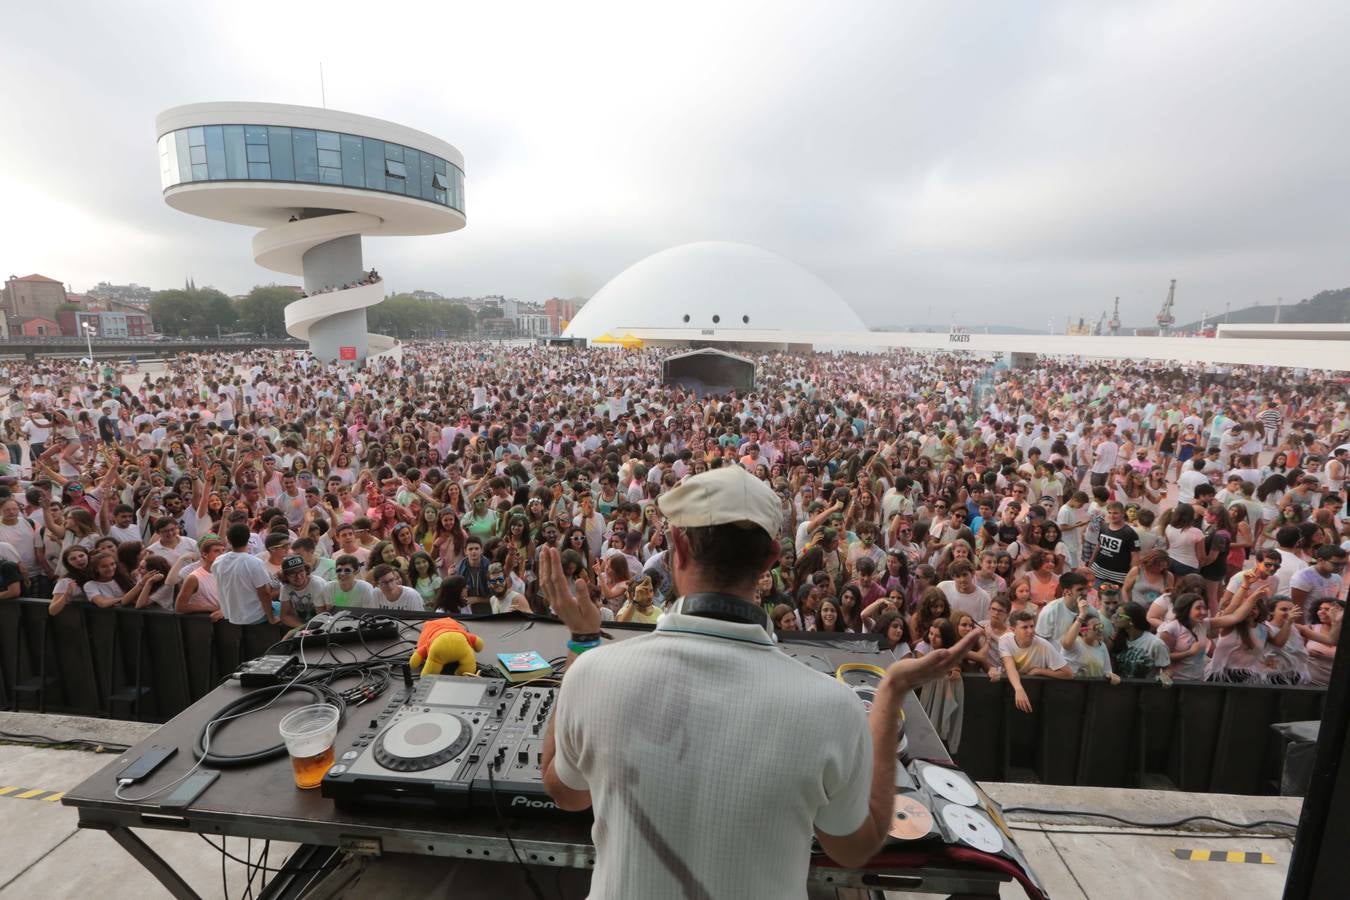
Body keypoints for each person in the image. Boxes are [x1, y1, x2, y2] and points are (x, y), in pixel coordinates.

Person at [538, 465, 980, 895]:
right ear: (771, 559)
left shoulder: (595, 673)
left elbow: (566, 793)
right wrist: (890, 692)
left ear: (678, 546)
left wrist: (582, 641)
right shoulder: (833, 707)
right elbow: (853, 847)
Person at [1000, 609, 1072, 713]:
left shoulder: (1044, 645)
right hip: (1011, 690)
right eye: (1025, 627)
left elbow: (1068, 673)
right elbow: (1009, 666)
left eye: (1032, 626)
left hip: (1038, 695)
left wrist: (1040, 671)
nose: (1030, 630)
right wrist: (1019, 689)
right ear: (1013, 629)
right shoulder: (1004, 640)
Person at [213, 523, 278, 625]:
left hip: (231, 615)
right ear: (248, 539)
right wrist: (272, 618)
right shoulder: (255, 562)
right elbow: (264, 593)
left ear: (229, 541)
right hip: (253, 616)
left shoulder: (218, 561)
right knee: (286, 607)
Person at [278, 554, 328, 626]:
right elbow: (285, 616)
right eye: (292, 573)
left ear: (306, 570)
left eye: (301, 571)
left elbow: (322, 616)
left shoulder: (317, 584)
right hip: (303, 625)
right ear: (285, 575)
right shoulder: (285, 587)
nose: (298, 576)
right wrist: (302, 627)